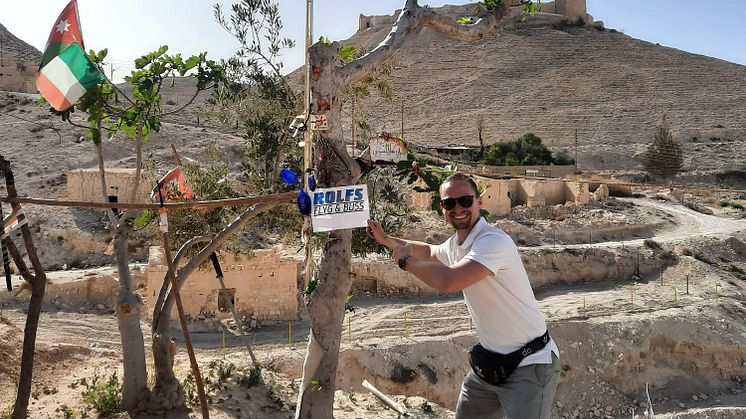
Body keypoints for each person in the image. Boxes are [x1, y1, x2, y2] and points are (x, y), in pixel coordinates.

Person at [366, 172, 560, 419]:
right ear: (442, 208)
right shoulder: (458, 245)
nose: (457, 208)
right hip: (491, 364)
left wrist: (405, 261)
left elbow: (449, 280)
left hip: (530, 365)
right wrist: (386, 240)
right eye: (449, 203)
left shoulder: (492, 242)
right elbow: (428, 251)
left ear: (480, 202)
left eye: (465, 201)